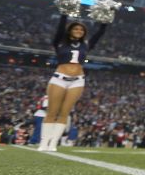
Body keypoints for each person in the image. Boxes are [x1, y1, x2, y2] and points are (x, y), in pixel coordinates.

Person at [41, 13, 108, 152]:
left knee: (65, 113)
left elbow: (99, 33)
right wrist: (64, 14)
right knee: (52, 112)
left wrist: (105, 20)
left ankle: (53, 143)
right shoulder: (59, 42)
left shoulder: (86, 44)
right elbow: (60, 29)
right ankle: (44, 142)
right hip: (59, 78)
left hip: (77, 81)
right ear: (70, 30)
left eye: (81, 30)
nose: (79, 31)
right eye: (76, 29)